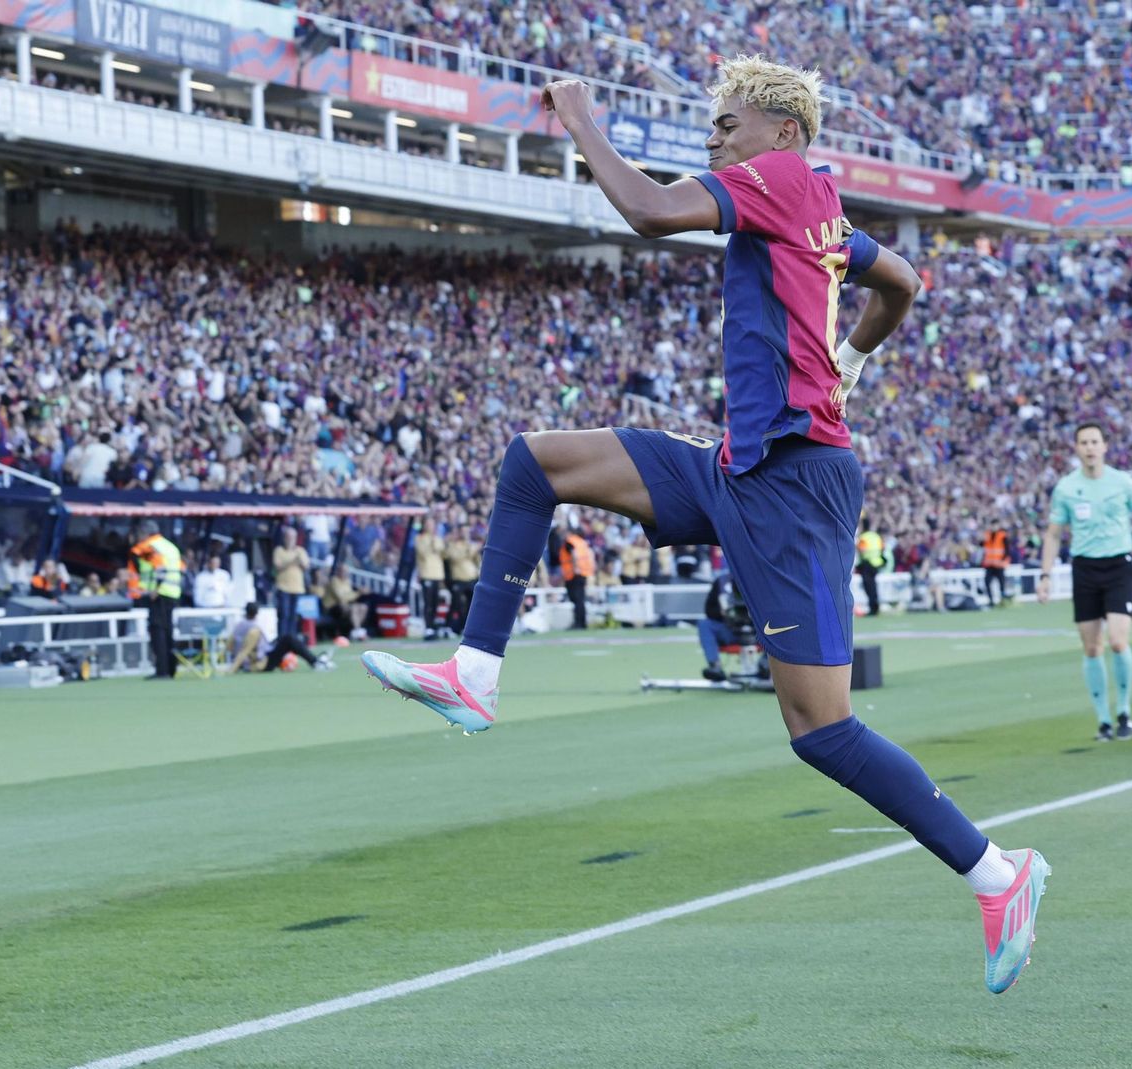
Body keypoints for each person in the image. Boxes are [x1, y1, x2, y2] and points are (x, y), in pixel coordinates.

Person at [361, 56, 1047, 995]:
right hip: (742, 465)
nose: (713, 137)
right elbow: (905, 281)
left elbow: (645, 211)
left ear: (783, 131)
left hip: (795, 482)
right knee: (536, 461)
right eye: (714, 125)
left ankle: (999, 875)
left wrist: (582, 121)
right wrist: (846, 357)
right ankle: (473, 676)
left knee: (822, 730)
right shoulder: (820, 210)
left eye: (727, 123)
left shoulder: (774, 179)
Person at [1037, 422, 1132, 742]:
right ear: (1077, 448)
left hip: (1119, 565)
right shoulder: (1066, 488)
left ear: (1105, 446)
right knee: (1092, 647)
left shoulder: (1123, 483)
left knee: (1119, 641)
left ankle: (1124, 711)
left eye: (1095, 441)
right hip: (1084, 569)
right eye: (1084, 442)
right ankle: (1104, 721)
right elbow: (1053, 534)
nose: (1090, 447)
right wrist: (1045, 575)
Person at [129, 519, 183, 680]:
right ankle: (171, 668)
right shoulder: (170, 546)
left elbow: (159, 567)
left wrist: (155, 589)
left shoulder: (151, 546)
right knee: (168, 631)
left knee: (157, 631)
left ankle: (162, 670)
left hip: (159, 594)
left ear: (145, 533)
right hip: (172, 592)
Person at [224, 602, 332, 673]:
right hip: (260, 663)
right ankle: (315, 662)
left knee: (283, 639)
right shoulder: (254, 629)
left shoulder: (238, 626)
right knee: (289, 639)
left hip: (255, 657)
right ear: (256, 613)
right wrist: (233, 669)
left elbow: (229, 646)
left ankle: (315, 660)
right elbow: (245, 650)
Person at [555, 522, 596, 629]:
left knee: (576, 600)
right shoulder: (582, 542)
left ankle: (578, 624)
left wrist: (575, 568)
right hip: (583, 573)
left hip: (574, 574)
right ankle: (582, 623)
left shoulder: (570, 541)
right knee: (580, 600)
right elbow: (590, 555)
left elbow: (573, 554)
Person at [271, 528, 309, 640]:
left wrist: (298, 560)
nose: (290, 540)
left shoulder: (300, 551)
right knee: (284, 614)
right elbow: (278, 566)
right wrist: (293, 561)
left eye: (293, 537)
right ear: (284, 538)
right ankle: (282, 638)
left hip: (297, 588)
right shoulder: (279, 551)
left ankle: (291, 639)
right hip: (283, 587)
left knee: (293, 616)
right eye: (288, 537)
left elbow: (306, 566)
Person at [697, 574, 736, 684]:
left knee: (775, 625)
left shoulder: (759, 580)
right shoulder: (721, 582)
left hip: (756, 631)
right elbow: (709, 610)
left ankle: (766, 665)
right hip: (729, 629)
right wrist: (722, 612)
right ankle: (715, 666)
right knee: (704, 624)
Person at [413, 521, 448, 638]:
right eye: (428, 524)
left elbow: (443, 553)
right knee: (427, 602)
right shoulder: (419, 538)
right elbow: (422, 552)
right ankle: (428, 627)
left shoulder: (438, 538)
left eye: (432, 525)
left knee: (435, 601)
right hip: (426, 573)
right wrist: (432, 543)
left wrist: (437, 543)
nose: (430, 527)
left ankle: (433, 626)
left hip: (437, 573)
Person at [444, 528, 480, 635]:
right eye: (463, 532)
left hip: (471, 578)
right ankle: (449, 627)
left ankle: (467, 627)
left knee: (471, 605)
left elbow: (476, 560)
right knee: (456, 604)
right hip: (458, 579)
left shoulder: (469, 545)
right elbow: (455, 557)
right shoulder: (453, 545)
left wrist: (473, 551)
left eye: (467, 532)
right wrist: (470, 549)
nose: (466, 534)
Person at [855, 516, 885, 617]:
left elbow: (861, 551)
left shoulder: (863, 538)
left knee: (869, 587)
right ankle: (875, 607)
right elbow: (882, 548)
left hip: (867, 564)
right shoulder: (875, 536)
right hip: (877, 563)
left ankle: (873, 608)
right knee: (873, 586)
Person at [982, 523, 1011, 607]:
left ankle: (1002, 599)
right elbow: (982, 545)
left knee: (1001, 584)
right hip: (989, 565)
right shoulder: (987, 535)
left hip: (999, 565)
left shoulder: (1002, 536)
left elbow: (1007, 549)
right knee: (987, 582)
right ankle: (991, 600)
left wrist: (1003, 560)